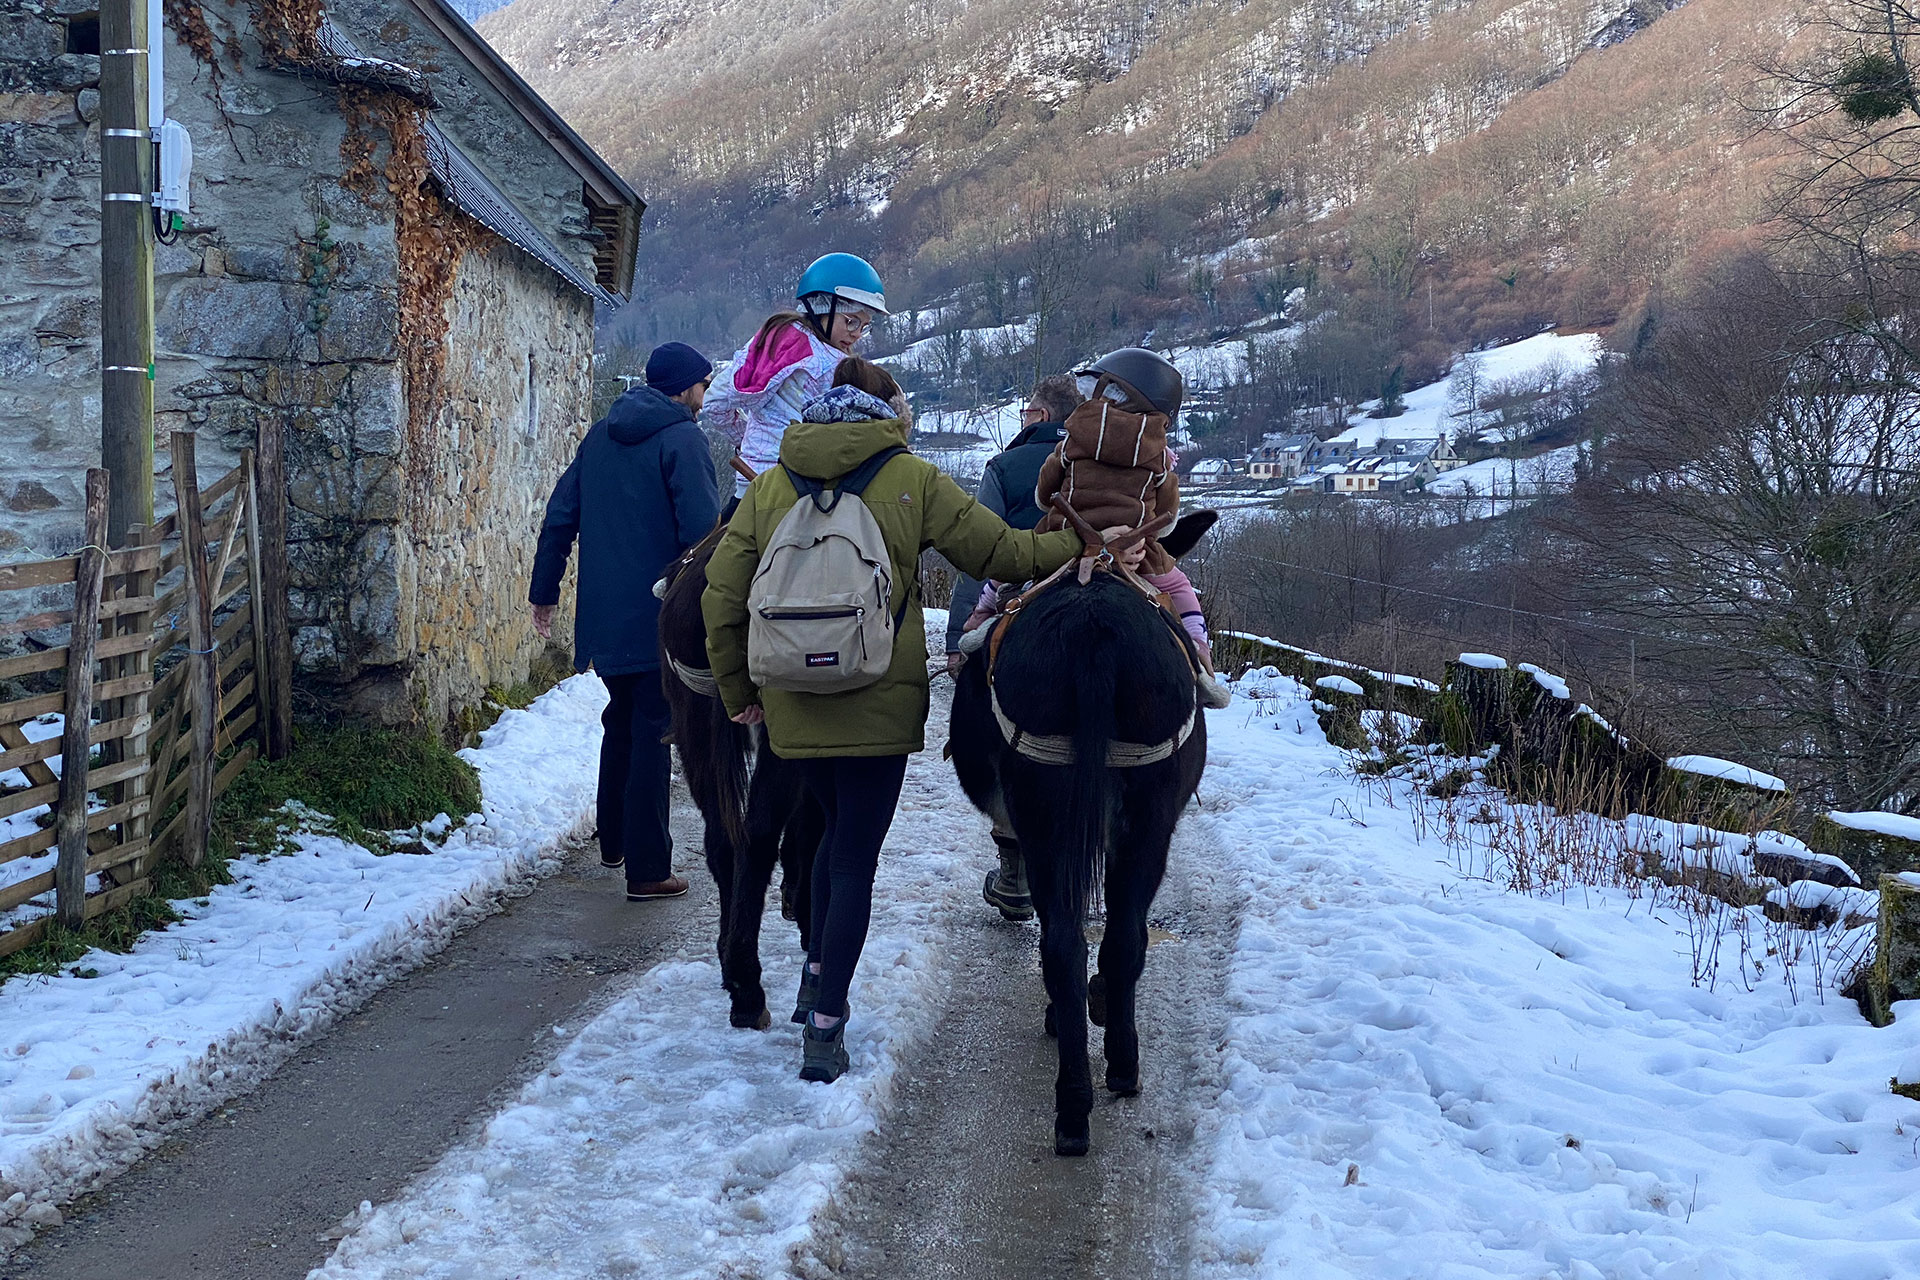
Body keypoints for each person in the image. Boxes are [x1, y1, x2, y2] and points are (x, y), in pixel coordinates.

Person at [702, 356, 1085, 1083]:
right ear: (888, 422)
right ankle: (824, 1024)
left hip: (790, 697)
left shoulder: (774, 484)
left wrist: (736, 691)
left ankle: (815, 978)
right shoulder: (911, 478)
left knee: (822, 840)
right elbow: (1004, 552)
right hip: (876, 694)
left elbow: (722, 595)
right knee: (851, 857)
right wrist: (1079, 542)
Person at [530, 341, 721, 901]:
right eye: (703, 385)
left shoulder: (599, 436)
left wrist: (544, 592)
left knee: (622, 717)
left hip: (604, 620)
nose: (705, 396)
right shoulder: (683, 438)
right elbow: (703, 537)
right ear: (685, 388)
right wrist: (713, 613)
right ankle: (647, 869)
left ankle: (612, 840)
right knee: (652, 729)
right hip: (660, 615)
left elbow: (560, 515)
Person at [1031, 347, 1233, 710]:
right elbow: (1169, 519)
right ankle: (1200, 661)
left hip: (1066, 543)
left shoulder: (1071, 442)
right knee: (1179, 588)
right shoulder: (1158, 458)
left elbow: (1045, 497)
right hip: (1135, 558)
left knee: (1015, 572)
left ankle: (983, 624)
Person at [703, 253, 888, 504]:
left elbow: (714, 401)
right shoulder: (839, 369)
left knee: (722, 543)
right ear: (823, 307)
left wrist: (747, 442)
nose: (856, 334)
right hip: (805, 492)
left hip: (750, 486)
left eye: (864, 326)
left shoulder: (768, 341)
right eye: (851, 321)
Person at [943, 373, 1084, 668]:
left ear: (1041, 415)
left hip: (1013, 610)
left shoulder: (1004, 467)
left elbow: (978, 550)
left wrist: (958, 635)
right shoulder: (1098, 466)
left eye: (1025, 414)